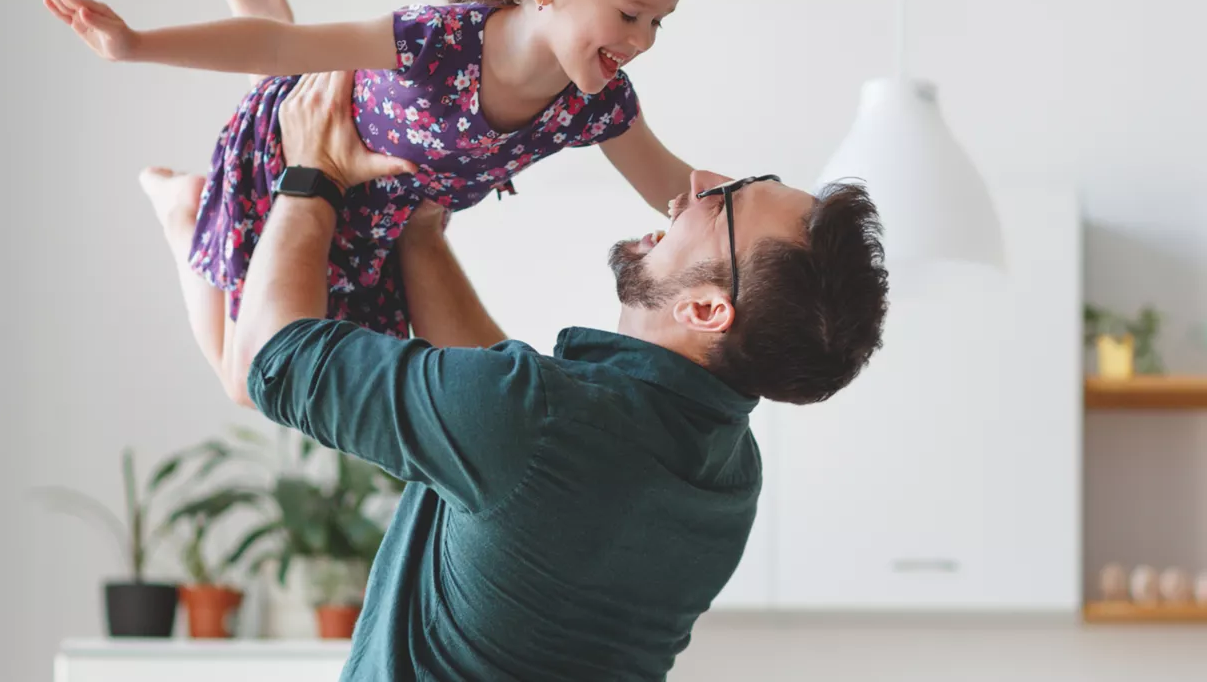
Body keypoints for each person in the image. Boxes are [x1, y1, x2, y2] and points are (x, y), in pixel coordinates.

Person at [225, 68, 889, 680]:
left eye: (723, 205)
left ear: (708, 309)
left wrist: (313, 174)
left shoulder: (538, 423)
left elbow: (271, 358)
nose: (699, 181)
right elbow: (513, 433)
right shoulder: (724, 473)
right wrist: (419, 233)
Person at [40, 0, 702, 397]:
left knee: (310, 377)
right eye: (630, 15)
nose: (643, 40)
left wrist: (795, 212)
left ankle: (272, 17)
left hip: (375, 227)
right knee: (246, 384)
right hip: (290, 161)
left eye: (658, 22)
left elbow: (677, 185)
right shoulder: (440, 42)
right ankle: (183, 209)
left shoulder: (597, 104)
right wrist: (133, 44)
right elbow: (274, 50)